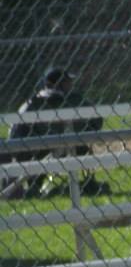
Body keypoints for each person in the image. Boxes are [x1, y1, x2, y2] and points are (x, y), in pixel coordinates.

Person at [1, 67, 107, 200]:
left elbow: (15, 134)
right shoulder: (77, 100)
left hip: (37, 152)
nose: (70, 85)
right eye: (67, 82)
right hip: (76, 148)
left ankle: (31, 184)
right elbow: (96, 122)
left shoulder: (33, 103)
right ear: (56, 84)